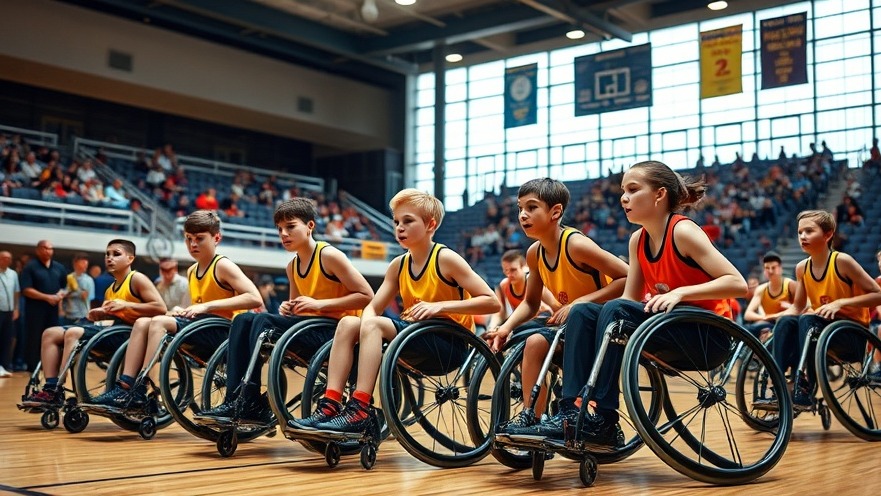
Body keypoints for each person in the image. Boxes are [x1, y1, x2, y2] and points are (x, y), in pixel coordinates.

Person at [502, 161, 746, 445]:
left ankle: (605, 417)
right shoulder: (637, 241)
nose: (623, 198)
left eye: (632, 189)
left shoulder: (683, 231)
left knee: (612, 309)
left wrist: (680, 293)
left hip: (707, 337)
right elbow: (629, 299)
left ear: (659, 194)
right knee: (585, 310)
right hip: (666, 330)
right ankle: (570, 411)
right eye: (623, 191)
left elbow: (737, 283)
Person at [293, 188, 500, 433]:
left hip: (450, 345)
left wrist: (440, 306)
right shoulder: (398, 265)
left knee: (373, 324)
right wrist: (363, 326)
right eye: (396, 222)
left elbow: (491, 301)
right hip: (415, 338)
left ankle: (360, 409)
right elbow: (372, 307)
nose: (399, 227)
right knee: (350, 324)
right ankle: (330, 405)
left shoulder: (446, 259)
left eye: (408, 221)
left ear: (430, 224)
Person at [194, 198, 373, 424]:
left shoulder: (329, 256)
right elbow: (296, 311)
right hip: (308, 329)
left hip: (336, 334)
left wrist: (319, 304)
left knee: (262, 321)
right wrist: (288, 307)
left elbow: (367, 295)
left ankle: (249, 400)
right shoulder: (292, 266)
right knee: (243, 320)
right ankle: (237, 397)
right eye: (280, 229)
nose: (283, 234)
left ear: (310, 226)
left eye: (290, 227)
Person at [483, 179, 628, 425]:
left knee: (578, 313)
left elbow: (626, 276)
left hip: (599, 325)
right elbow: (530, 303)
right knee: (534, 341)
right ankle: (533, 418)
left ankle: (572, 409)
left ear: (556, 212)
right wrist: (506, 327)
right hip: (571, 327)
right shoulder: (533, 253)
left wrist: (580, 301)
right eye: (520, 209)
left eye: (531, 208)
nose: (522, 215)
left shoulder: (576, 244)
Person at [86, 210, 263, 409]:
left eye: (199, 239)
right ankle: (126, 384)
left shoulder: (223, 265)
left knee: (158, 322)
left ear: (217, 238)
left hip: (224, 333)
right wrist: (183, 310)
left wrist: (206, 306)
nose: (193, 244)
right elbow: (199, 307)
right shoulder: (192, 271)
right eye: (188, 239)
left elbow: (254, 297)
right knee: (143, 321)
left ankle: (142, 386)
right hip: (202, 327)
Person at [20, 240, 166, 407]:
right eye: (107, 254)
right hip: (114, 331)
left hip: (131, 336)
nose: (110, 258)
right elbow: (115, 316)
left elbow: (160, 307)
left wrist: (126, 305)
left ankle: (59, 390)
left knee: (73, 332)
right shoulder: (110, 289)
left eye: (116, 254)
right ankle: (50, 387)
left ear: (130, 259)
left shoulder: (136, 279)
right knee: (50, 333)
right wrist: (100, 314)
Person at [767, 210, 881, 410]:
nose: (802, 236)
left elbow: (877, 294)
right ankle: (776, 386)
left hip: (851, 335)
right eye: (800, 232)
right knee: (786, 323)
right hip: (820, 331)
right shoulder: (802, 268)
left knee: (806, 321)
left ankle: (805, 388)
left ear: (828, 235)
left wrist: (841, 303)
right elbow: (798, 307)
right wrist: (775, 320)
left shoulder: (842, 261)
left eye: (809, 231)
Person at [20, 240, 68, 372]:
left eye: (50, 248)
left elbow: (65, 286)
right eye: (45, 248)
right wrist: (47, 297)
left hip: (53, 309)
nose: (48, 251)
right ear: (38, 250)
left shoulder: (59, 267)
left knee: (53, 337)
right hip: (35, 310)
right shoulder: (30, 267)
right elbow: (26, 289)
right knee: (35, 337)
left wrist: (60, 295)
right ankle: (32, 367)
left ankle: (49, 365)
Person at [485, 249, 559, 331]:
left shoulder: (533, 282)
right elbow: (499, 314)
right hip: (521, 322)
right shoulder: (504, 285)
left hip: (542, 320)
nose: (509, 274)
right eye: (506, 270)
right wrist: (491, 328)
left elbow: (554, 306)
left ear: (524, 267)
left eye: (513, 270)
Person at [742, 252, 796, 341]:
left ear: (780, 268)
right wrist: (764, 317)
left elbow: (800, 308)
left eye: (773, 268)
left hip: (788, 323)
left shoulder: (790, 285)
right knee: (747, 329)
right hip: (770, 323)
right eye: (767, 268)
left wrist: (775, 315)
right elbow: (748, 314)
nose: (770, 271)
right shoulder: (761, 289)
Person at [60, 253, 94, 326]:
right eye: (83, 262)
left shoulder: (88, 280)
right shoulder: (69, 277)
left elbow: (88, 298)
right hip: (68, 315)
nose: (85, 264)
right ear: (75, 263)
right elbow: (62, 294)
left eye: (86, 263)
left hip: (81, 316)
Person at [0, 251, 19, 378]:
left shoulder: (13, 274)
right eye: (4, 258)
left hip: (9, 311)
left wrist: (16, 308)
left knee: (7, 338)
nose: (7, 260)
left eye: (9, 258)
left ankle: (4, 365)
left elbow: (16, 292)